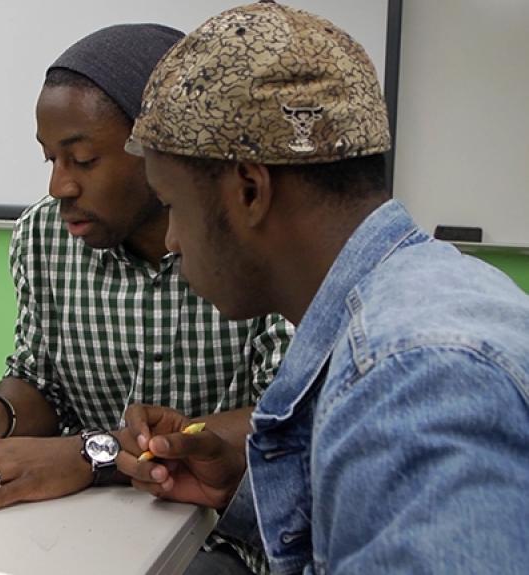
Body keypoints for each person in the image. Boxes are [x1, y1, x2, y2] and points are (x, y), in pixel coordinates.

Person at [120, 2, 529, 573]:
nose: (171, 241)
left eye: (172, 207)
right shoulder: (425, 298)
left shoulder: (413, 378)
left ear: (249, 192)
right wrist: (241, 485)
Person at [0, 23, 292, 573]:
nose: (60, 186)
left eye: (82, 160)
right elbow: (39, 378)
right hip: (78, 523)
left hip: (226, 534)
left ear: (162, 153)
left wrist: (90, 454)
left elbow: (285, 419)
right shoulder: (43, 235)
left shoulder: (247, 244)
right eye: (50, 159)